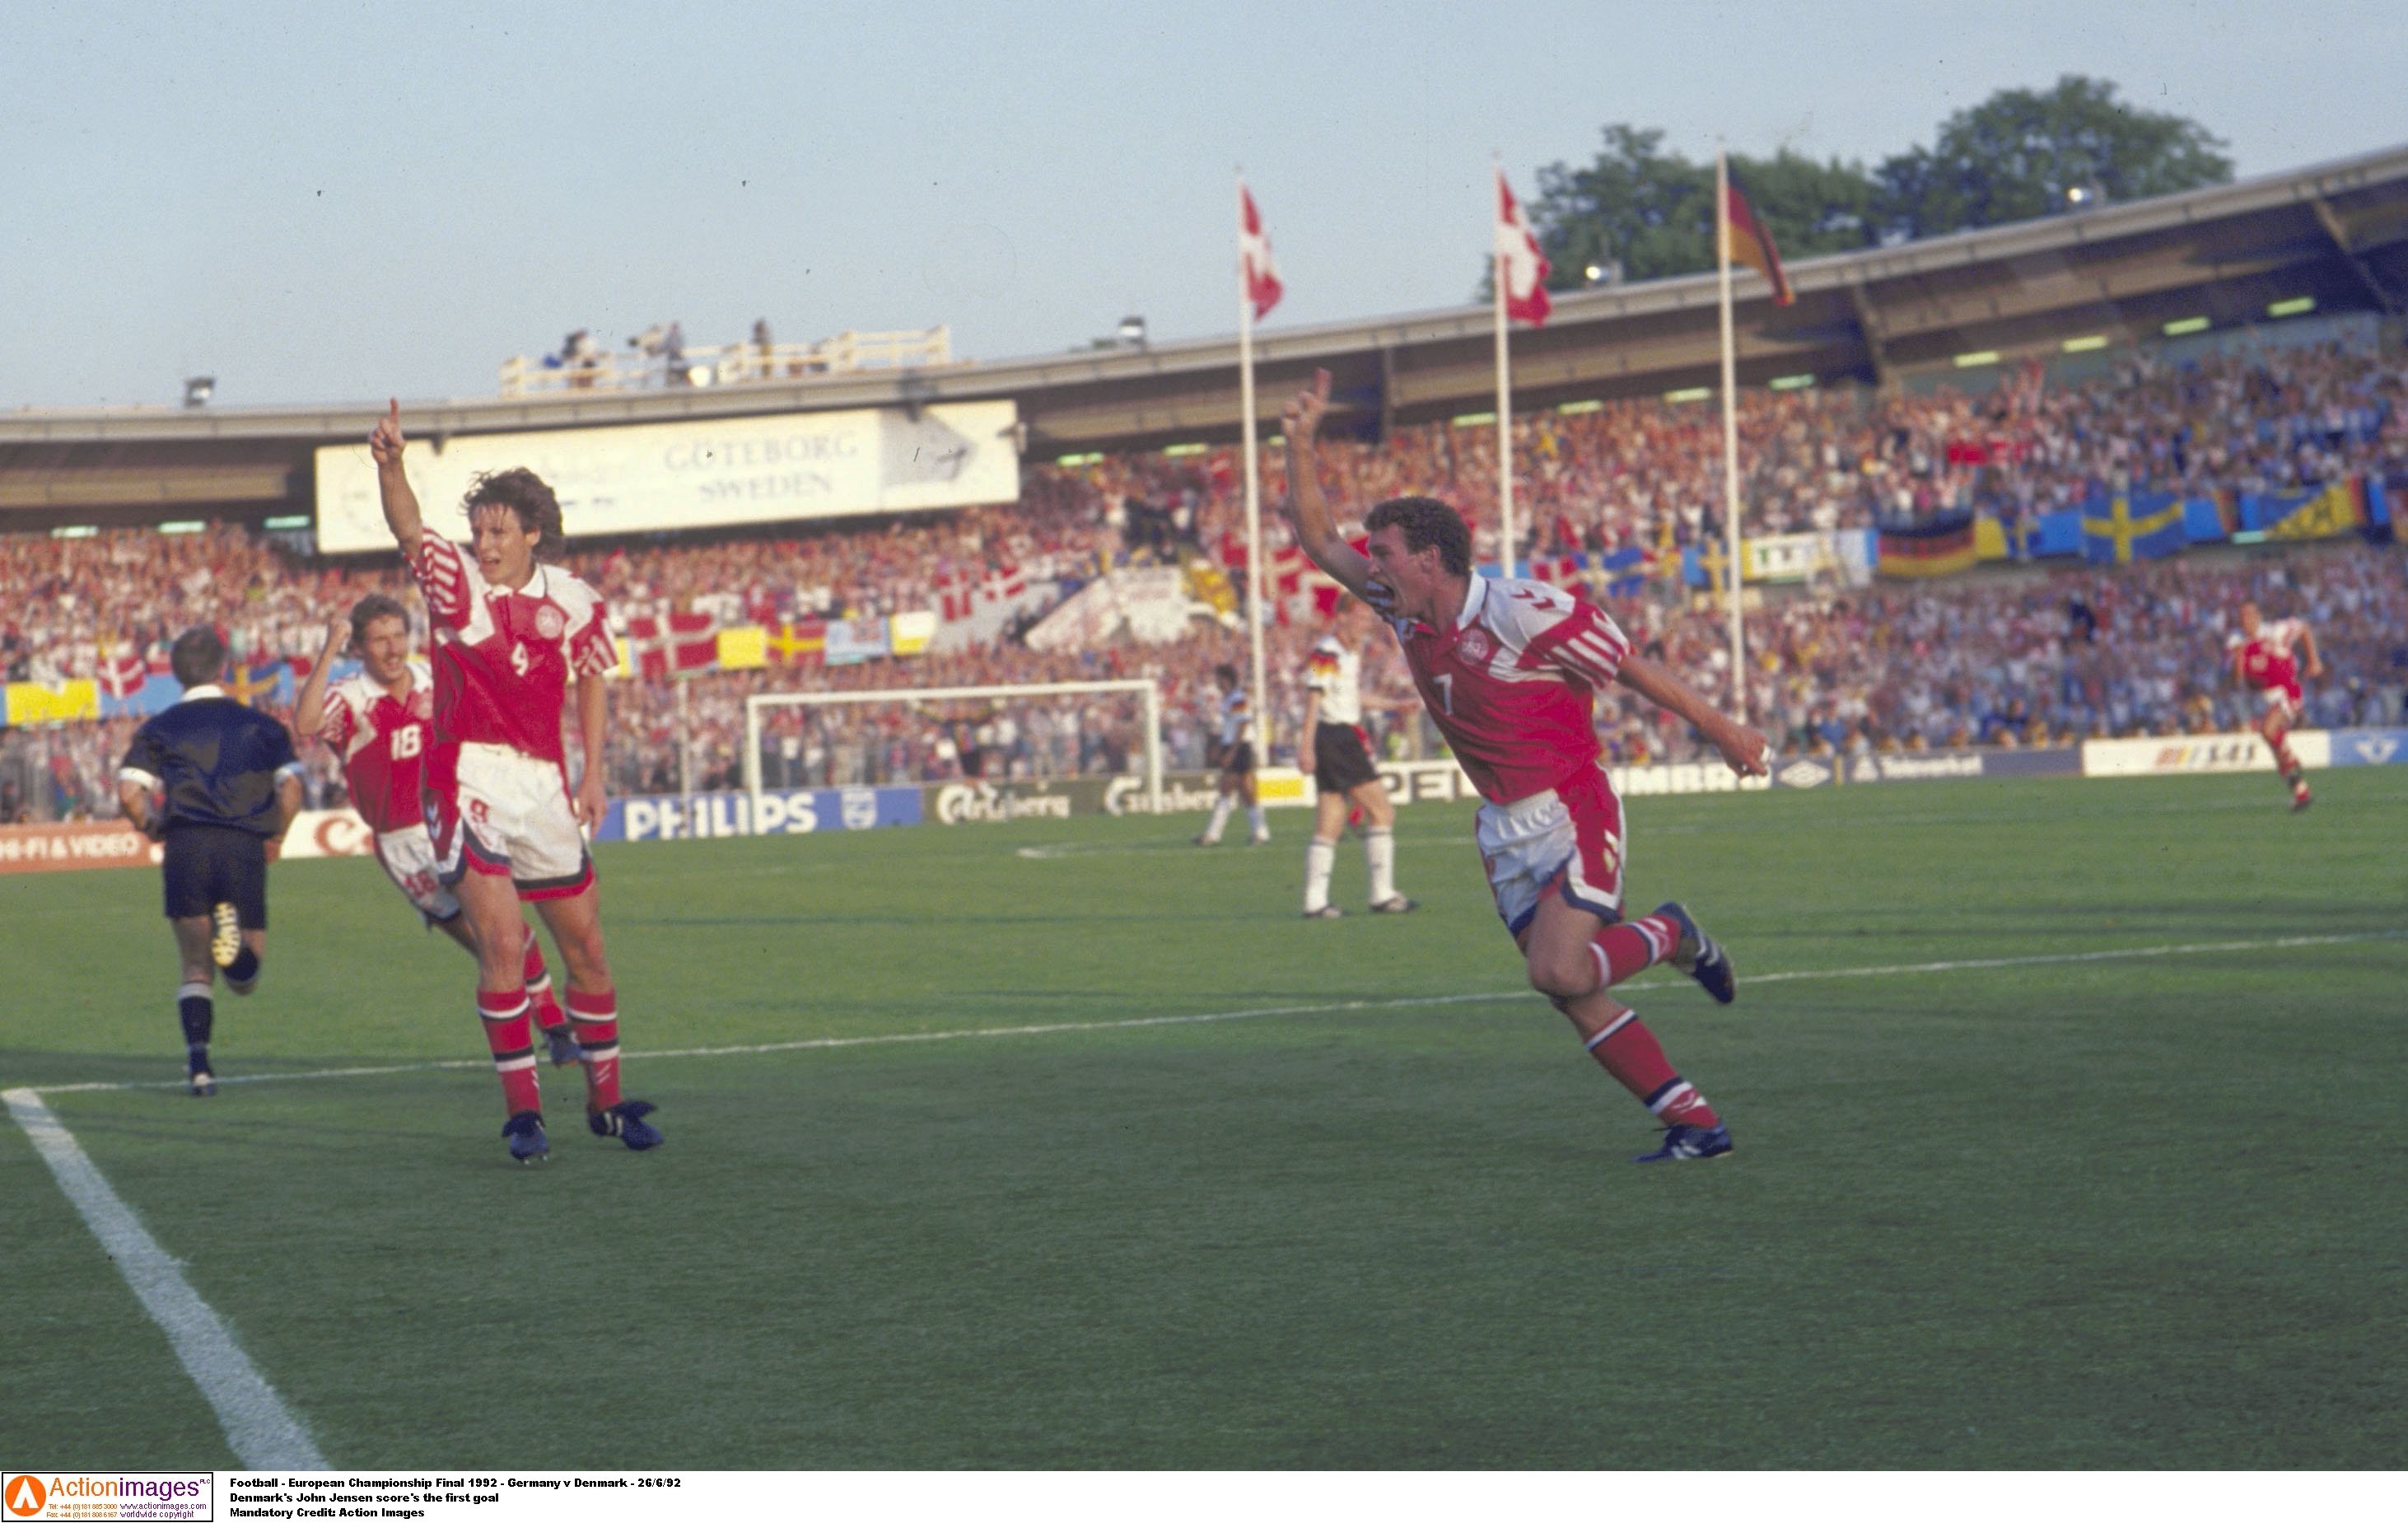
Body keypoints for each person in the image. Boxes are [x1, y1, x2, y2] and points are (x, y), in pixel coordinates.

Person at [1281, 369, 1769, 1163]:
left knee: (1558, 969)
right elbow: (1319, 540)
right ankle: (1696, 1124)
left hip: (1572, 806)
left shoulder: (1521, 610)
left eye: (1386, 553)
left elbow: (1628, 665)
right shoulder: (1401, 608)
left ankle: (1670, 932)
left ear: (1429, 559)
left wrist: (1723, 729)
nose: (1373, 565)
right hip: (1503, 826)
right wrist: (1301, 443)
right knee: (1570, 991)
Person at [368, 399, 660, 1163]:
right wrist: (392, 466)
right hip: (464, 773)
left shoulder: (575, 599)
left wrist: (594, 772)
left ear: (533, 533)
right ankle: (525, 1115)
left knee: (587, 945)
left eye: (500, 531)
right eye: (480, 530)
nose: (485, 543)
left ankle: (607, 1103)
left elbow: (592, 676)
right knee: (501, 939)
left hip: (542, 784)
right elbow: (409, 527)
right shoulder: (455, 582)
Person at [293, 597, 581, 1067]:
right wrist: (329, 649)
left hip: (454, 820)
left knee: (508, 932)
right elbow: (305, 724)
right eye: (380, 640)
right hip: (404, 844)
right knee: (487, 943)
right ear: (360, 648)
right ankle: (537, 1033)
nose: (393, 649)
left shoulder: (433, 678)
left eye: (398, 636)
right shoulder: (351, 697)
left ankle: (555, 1027)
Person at [115, 625, 306, 1097]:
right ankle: (234, 947)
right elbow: (292, 789)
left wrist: (150, 826)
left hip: (186, 846)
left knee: (195, 967)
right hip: (242, 846)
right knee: (244, 980)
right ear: (223, 668)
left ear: (176, 673)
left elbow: (130, 793)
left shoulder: (159, 727)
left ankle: (199, 1067)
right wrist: (277, 835)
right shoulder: (261, 724)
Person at [1300, 598, 1413, 918]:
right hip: (1337, 738)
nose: (1365, 624)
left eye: (1367, 618)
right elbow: (1313, 699)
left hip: (1336, 737)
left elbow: (1353, 696)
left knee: (1331, 819)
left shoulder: (1351, 652)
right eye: (1360, 617)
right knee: (1382, 811)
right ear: (1342, 617)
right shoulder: (1327, 652)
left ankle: (1314, 901)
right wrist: (1305, 746)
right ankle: (1382, 894)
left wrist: (1395, 706)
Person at [2227, 599, 2320, 811]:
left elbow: (2304, 628)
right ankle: (2301, 792)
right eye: (2242, 616)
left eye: (2250, 615)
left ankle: (2290, 759)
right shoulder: (2238, 642)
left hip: (2287, 693)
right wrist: (2237, 660)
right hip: (2264, 699)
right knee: (2278, 757)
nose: (2246, 620)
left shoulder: (2275, 631)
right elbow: (2237, 680)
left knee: (2268, 730)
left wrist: (2314, 661)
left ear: (2259, 617)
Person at [1195, 664, 1269, 846]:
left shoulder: (1237, 698)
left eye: (1218, 678)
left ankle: (1213, 835)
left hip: (1240, 746)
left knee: (1226, 788)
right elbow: (1231, 726)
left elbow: (1243, 724)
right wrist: (1222, 747)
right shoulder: (1228, 699)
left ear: (1225, 679)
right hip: (1235, 746)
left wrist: (1232, 751)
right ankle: (1260, 832)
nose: (1216, 682)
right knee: (1246, 791)